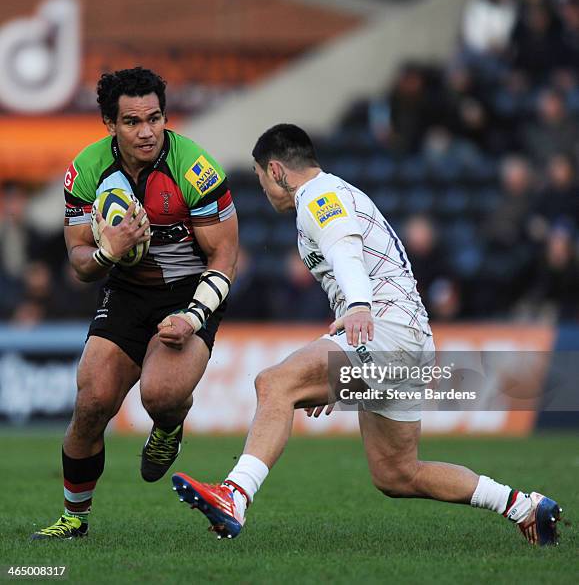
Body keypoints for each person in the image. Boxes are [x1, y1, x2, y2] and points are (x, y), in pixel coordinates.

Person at [171, 124, 561, 546]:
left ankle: (235, 495)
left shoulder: (319, 197)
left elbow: (345, 250)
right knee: (397, 473)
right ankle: (525, 506)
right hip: (406, 339)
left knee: (275, 383)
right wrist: (335, 366)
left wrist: (358, 306)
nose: (263, 187)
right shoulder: (335, 193)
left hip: (387, 330)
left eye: (262, 176)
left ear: (277, 169)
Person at [31, 67, 238, 539]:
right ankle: (73, 518)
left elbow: (224, 255)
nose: (146, 132)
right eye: (131, 121)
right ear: (109, 124)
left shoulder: (195, 168)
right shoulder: (85, 170)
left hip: (189, 292)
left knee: (161, 396)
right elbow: (81, 262)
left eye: (155, 118)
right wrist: (109, 251)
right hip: (126, 291)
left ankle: (169, 425)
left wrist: (193, 316)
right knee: (91, 403)